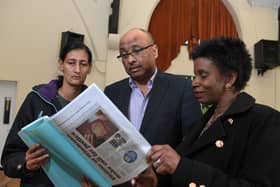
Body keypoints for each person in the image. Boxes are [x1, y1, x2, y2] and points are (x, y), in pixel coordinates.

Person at [143, 37, 280, 186]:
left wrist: (182, 167)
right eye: (195, 76)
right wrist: (154, 180)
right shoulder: (202, 123)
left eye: (203, 75)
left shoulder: (263, 120)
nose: (194, 83)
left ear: (229, 79)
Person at [104, 28, 202, 187]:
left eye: (136, 51)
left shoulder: (182, 88)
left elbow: (193, 147)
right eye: (124, 54)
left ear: (155, 51)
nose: (130, 60)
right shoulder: (112, 92)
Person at [1, 41, 93, 187]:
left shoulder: (95, 106)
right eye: (71, 62)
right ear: (61, 64)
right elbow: (9, 157)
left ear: (89, 68)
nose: (77, 69)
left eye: (83, 64)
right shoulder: (37, 99)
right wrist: (26, 164)